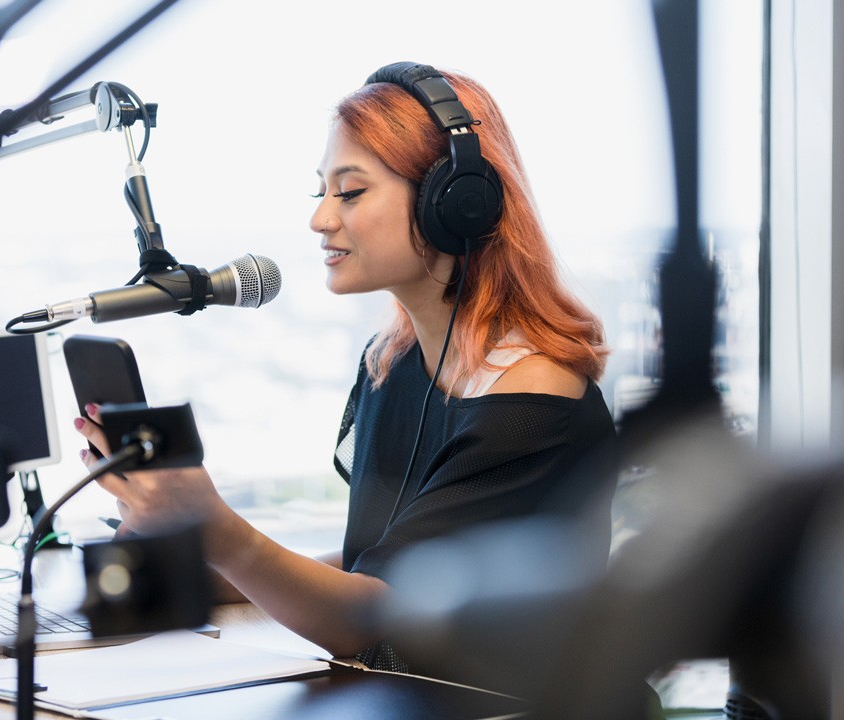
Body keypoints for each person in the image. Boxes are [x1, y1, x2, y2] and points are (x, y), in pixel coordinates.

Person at [75, 62, 617, 672]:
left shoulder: (532, 398)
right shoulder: (395, 362)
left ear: (457, 203)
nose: (321, 219)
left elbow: (376, 618)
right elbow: (379, 564)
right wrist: (196, 559)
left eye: (351, 192)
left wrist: (219, 528)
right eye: (321, 191)